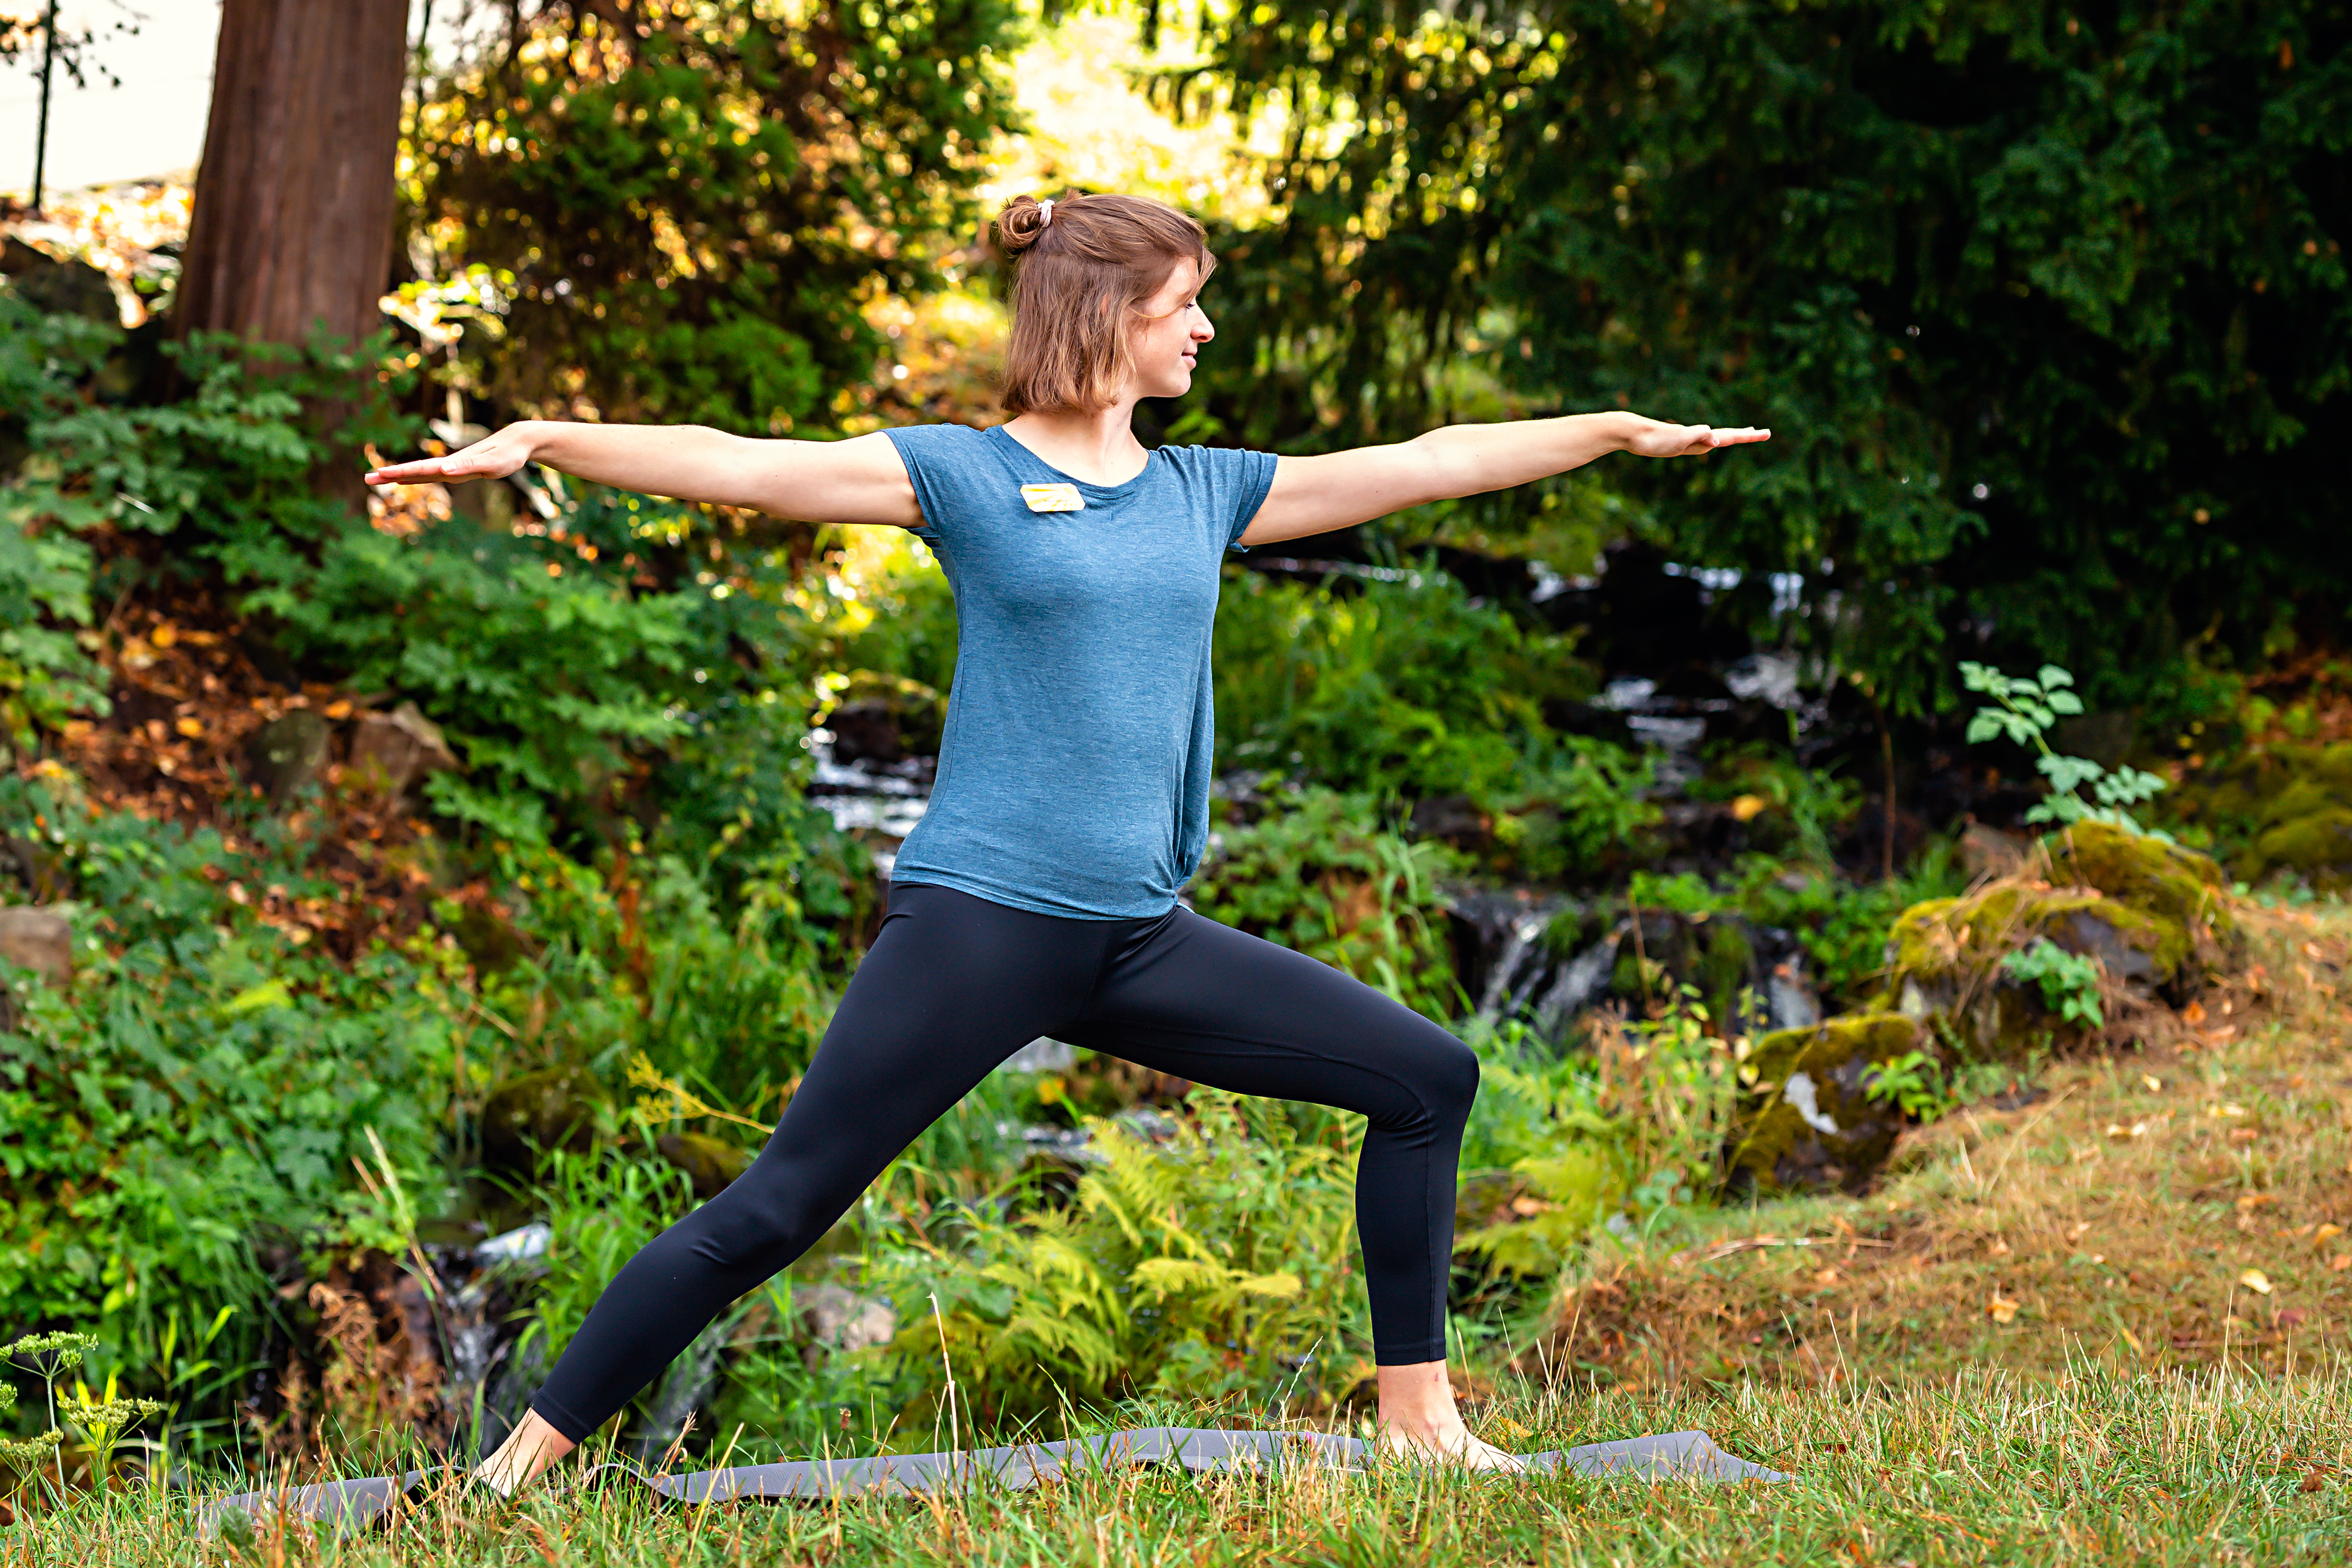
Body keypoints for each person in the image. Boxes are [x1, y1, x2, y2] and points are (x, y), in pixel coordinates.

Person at [365, 191, 1769, 1489]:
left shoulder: (1205, 491)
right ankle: (511, 1471)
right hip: (980, 925)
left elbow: (1432, 460)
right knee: (777, 1208)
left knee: (1424, 1078)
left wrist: (1609, 430)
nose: (1207, 328)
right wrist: (547, 441)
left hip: (1137, 936)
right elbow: (746, 469)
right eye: (1185, 305)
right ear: (1110, 316)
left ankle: (1422, 1424)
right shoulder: (962, 478)